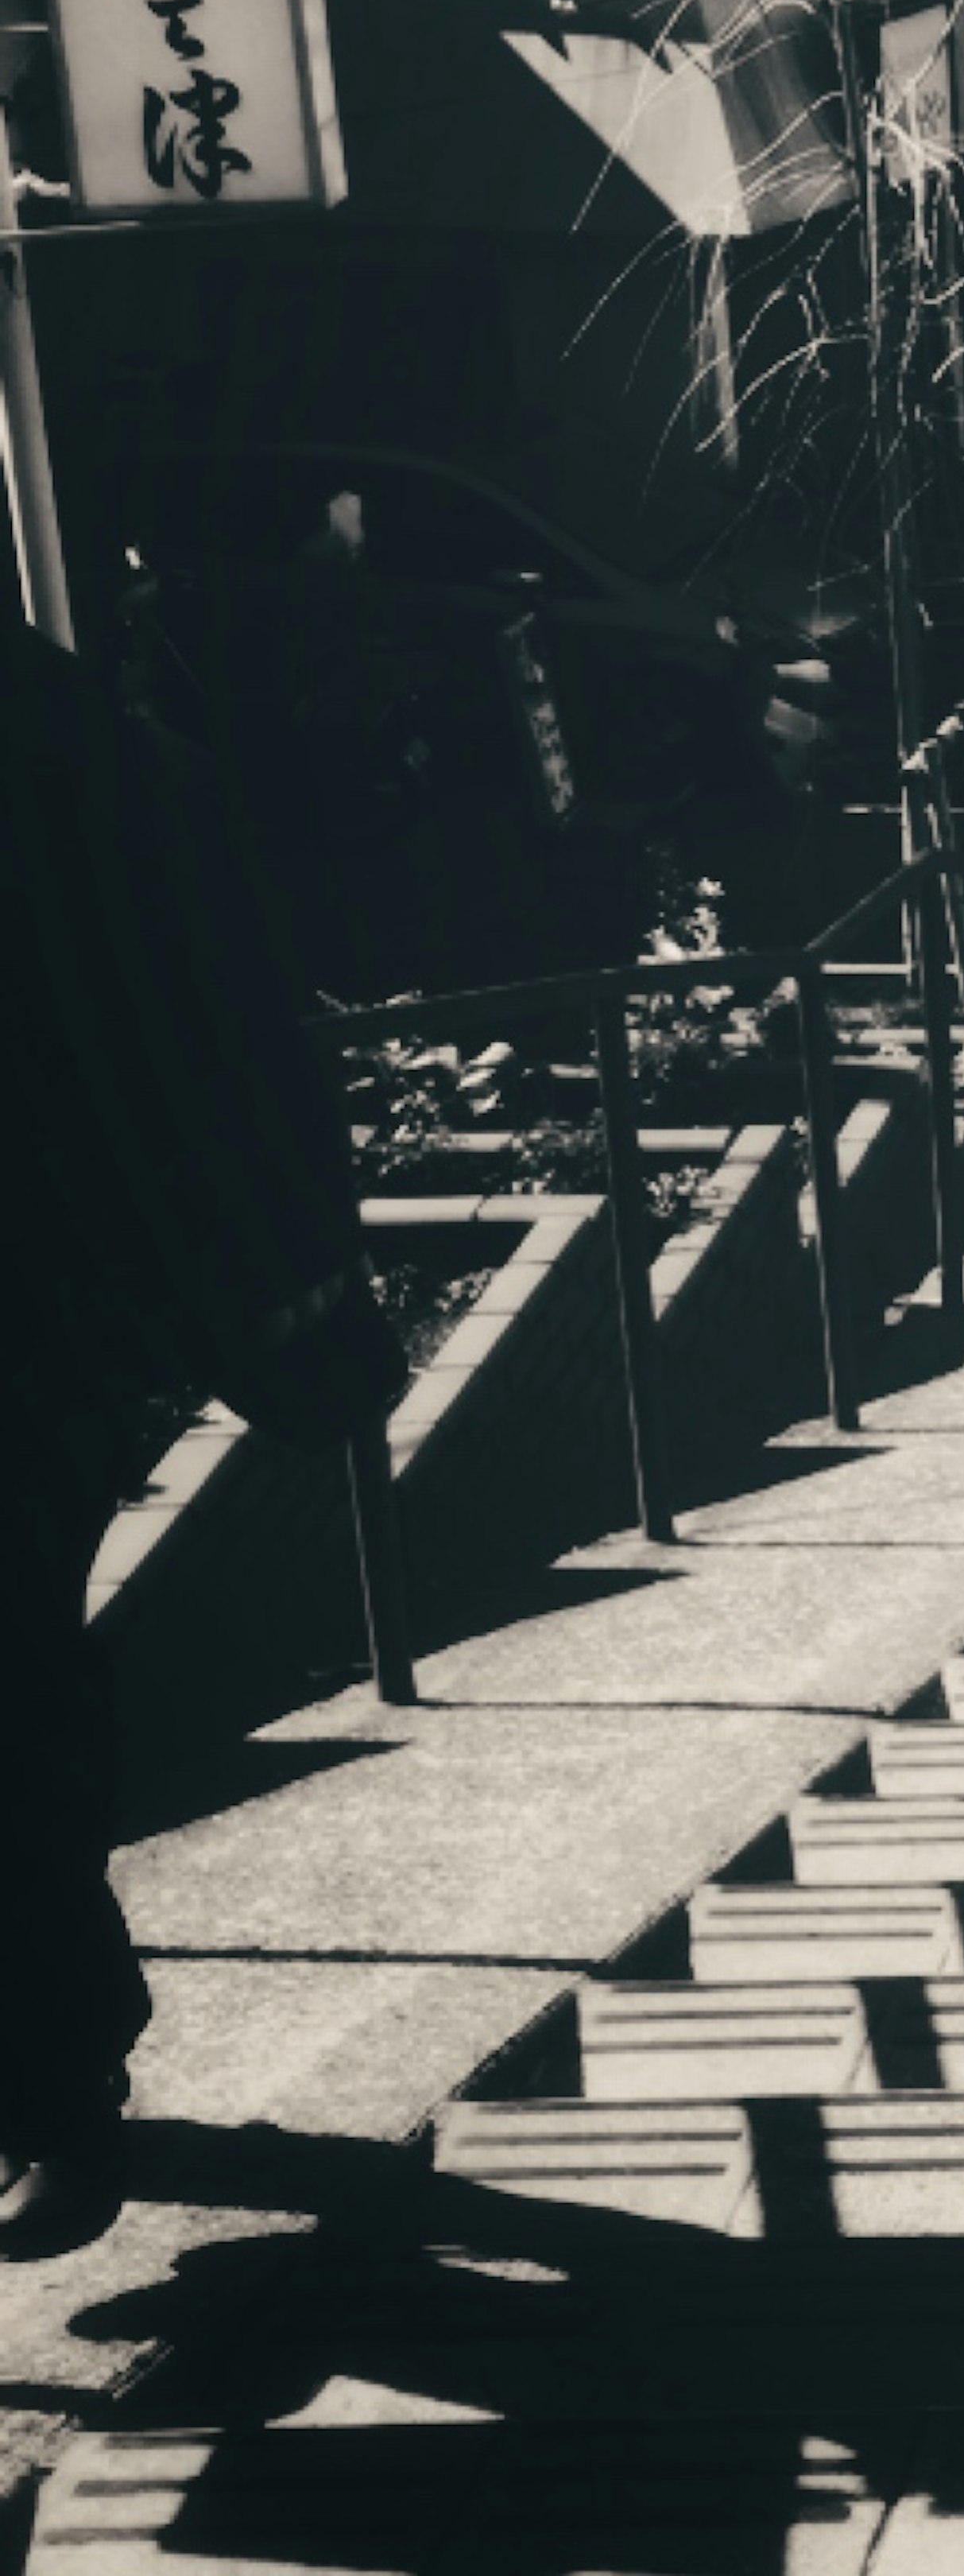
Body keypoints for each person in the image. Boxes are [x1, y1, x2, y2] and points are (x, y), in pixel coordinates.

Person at [0, 615, 403, 2256]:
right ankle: (54, 2072)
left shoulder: (74, 759)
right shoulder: (92, 748)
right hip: (65, 1305)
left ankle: (51, 2078)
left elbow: (217, 1036)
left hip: (36, 1303)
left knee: (10, 1686)